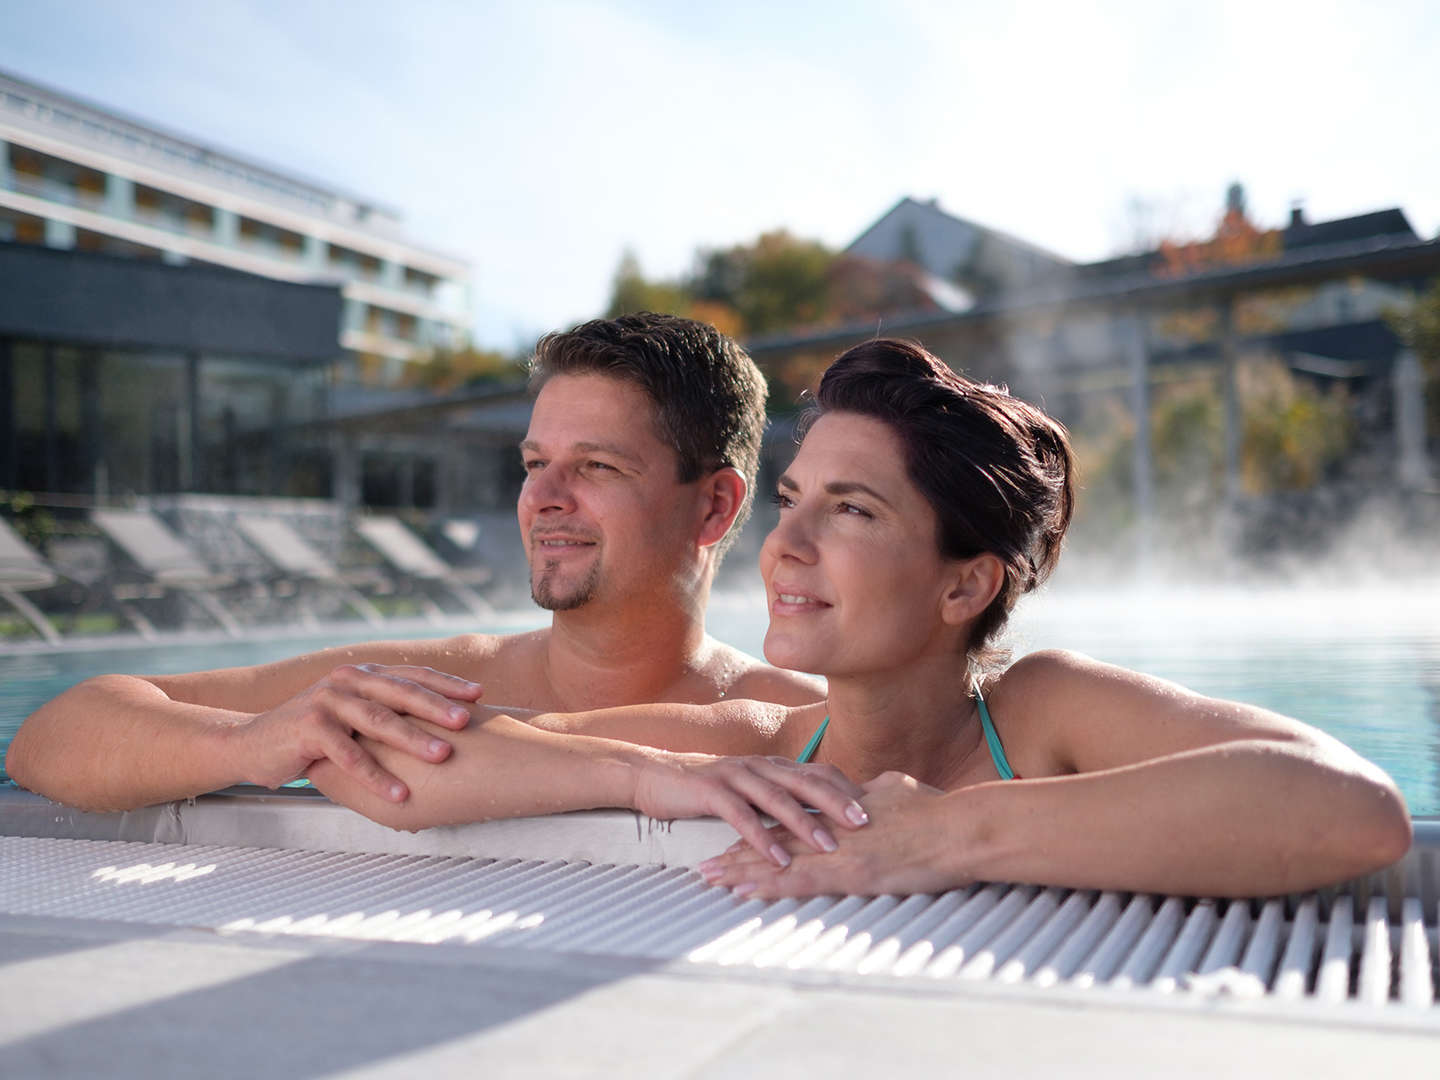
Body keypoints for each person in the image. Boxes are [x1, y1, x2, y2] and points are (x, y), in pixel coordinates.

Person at [306, 338, 1411, 898]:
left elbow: (1354, 812)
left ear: (964, 585)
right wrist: (645, 775)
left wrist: (940, 836)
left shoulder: (1044, 717)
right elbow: (376, 767)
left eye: (854, 510)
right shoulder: (761, 743)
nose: (784, 547)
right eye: (792, 502)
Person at [5, 314, 848, 850]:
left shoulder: (794, 718)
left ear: (713, 505)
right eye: (534, 464)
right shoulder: (426, 683)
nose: (543, 499)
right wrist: (251, 743)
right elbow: (51, 734)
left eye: (595, 466)